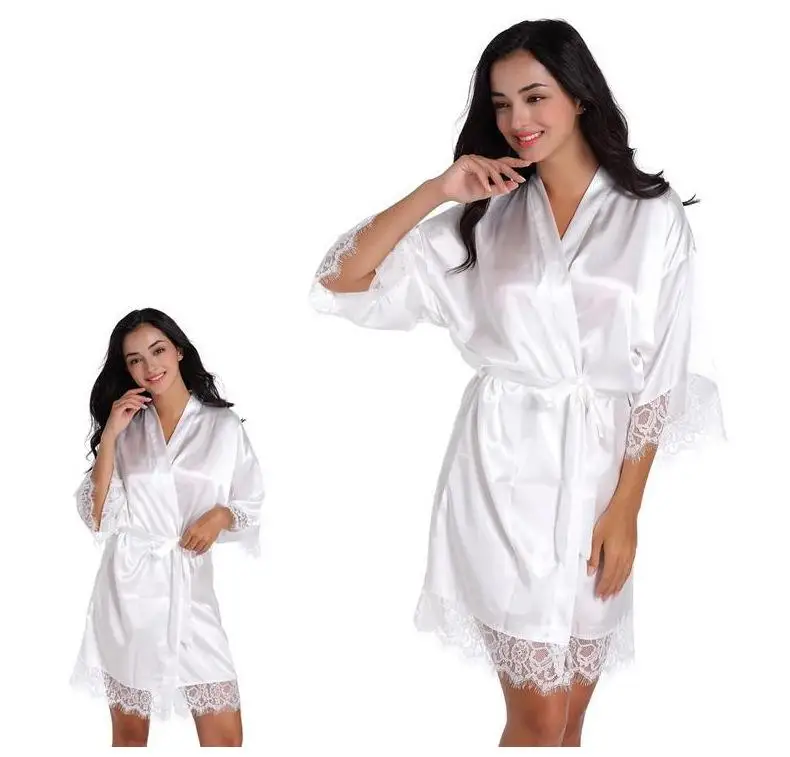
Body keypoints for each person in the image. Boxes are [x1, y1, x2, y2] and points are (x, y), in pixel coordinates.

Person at [309, 18, 725, 748]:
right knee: (536, 720)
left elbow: (660, 374)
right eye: (501, 104)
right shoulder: (483, 218)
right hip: (503, 472)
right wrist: (438, 190)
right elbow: (340, 281)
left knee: (568, 722)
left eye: (535, 97)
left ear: (579, 96)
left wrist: (626, 508)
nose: (517, 120)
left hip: (599, 479)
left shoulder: (652, 216)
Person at [70, 308, 265, 747]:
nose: (149, 366)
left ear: (178, 351)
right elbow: (97, 517)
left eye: (158, 351)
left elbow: (250, 502)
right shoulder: (127, 429)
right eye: (135, 359)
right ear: (127, 370)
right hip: (129, 591)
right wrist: (109, 437)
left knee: (224, 737)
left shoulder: (221, 426)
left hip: (192, 590)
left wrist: (222, 515)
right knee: (130, 735)